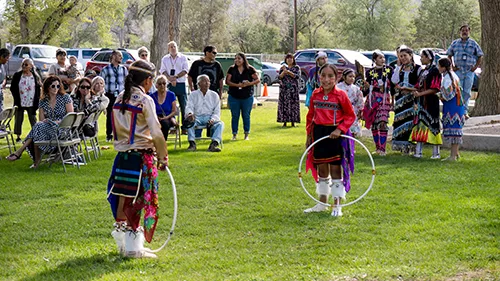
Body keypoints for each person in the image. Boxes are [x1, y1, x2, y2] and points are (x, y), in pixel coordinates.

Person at [107, 60, 168, 259]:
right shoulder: (144, 100)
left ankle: (125, 245)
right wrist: (163, 156)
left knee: (123, 199)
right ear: (148, 80)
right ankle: (133, 249)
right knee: (138, 200)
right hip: (140, 158)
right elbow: (157, 133)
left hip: (122, 159)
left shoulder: (119, 98)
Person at [304, 64, 356, 217]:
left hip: (335, 135)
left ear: (336, 78)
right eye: (323, 76)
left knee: (335, 169)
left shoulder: (340, 95)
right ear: (319, 77)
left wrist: (339, 130)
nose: (326, 79)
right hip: (319, 133)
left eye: (330, 76)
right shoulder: (315, 94)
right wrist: (308, 135)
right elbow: (310, 115)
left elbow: (350, 115)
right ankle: (322, 202)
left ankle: (337, 204)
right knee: (322, 169)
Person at [6, 76, 74, 168]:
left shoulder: (65, 97)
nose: (56, 88)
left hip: (63, 129)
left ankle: (24, 154)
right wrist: (48, 121)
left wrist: (58, 122)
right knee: (38, 128)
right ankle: (30, 158)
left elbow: (70, 116)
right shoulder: (43, 101)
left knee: (37, 128)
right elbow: (41, 120)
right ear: (47, 87)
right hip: (48, 128)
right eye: (53, 86)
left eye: (58, 86)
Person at [411, 49, 442, 159]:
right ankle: (418, 152)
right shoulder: (424, 71)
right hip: (421, 103)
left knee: (433, 124)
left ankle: (436, 153)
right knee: (420, 124)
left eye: (422, 56)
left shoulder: (435, 71)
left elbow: (435, 88)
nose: (420, 58)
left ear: (429, 57)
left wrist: (420, 94)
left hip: (430, 102)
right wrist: (414, 91)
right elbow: (418, 84)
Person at [447, 24, 483, 118]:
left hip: (469, 71)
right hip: (458, 71)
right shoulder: (455, 43)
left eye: (466, 30)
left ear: (469, 32)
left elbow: (480, 55)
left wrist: (475, 67)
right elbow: (449, 55)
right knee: (457, 90)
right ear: (460, 32)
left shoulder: (473, 43)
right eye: (463, 30)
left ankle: (464, 111)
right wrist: (452, 66)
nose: (464, 32)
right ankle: (457, 110)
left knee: (467, 92)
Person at [362, 51, 394, 156]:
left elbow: (393, 86)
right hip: (372, 99)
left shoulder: (389, 70)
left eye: (383, 57)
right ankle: (377, 148)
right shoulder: (369, 72)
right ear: (375, 59)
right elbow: (366, 91)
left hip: (384, 98)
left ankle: (383, 149)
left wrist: (393, 100)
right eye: (380, 57)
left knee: (383, 123)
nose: (382, 59)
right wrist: (365, 87)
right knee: (374, 124)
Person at [391, 46, 422, 154]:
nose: (403, 58)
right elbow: (394, 80)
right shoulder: (400, 69)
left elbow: (420, 85)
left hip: (412, 100)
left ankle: (411, 147)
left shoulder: (418, 69)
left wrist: (408, 88)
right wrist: (398, 67)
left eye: (405, 56)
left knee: (411, 121)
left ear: (411, 56)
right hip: (401, 100)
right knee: (401, 121)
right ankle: (402, 146)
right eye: (401, 56)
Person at [185, 74, 224, 152]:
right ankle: (192, 143)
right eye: (204, 81)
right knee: (189, 122)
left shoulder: (214, 95)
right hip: (197, 117)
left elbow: (217, 111)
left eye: (208, 81)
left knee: (220, 124)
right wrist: (190, 114)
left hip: (209, 117)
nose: (207, 83)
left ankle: (214, 144)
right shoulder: (193, 94)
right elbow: (189, 106)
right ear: (199, 84)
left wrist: (213, 119)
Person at [225, 52, 260, 140]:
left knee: (246, 115)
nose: (237, 60)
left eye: (239, 58)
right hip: (234, 96)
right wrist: (237, 85)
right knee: (235, 115)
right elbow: (227, 81)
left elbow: (257, 80)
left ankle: (246, 134)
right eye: (235, 58)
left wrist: (249, 83)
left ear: (244, 60)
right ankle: (234, 134)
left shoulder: (250, 69)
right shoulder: (232, 69)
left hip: (247, 96)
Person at [438, 58, 465, 161]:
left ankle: (453, 156)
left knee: (454, 129)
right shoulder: (452, 75)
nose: (438, 68)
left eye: (439, 66)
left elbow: (448, 94)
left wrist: (440, 96)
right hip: (456, 105)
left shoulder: (448, 77)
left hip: (453, 105)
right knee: (454, 128)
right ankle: (456, 153)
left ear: (443, 67)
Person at [160, 41, 189, 133]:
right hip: (169, 84)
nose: (173, 48)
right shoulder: (165, 58)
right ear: (168, 49)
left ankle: (184, 127)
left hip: (180, 83)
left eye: (174, 46)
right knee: (170, 106)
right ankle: (172, 126)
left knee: (184, 106)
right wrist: (169, 78)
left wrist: (175, 77)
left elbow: (185, 70)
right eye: (171, 47)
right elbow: (163, 70)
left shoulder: (183, 57)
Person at [10, 58, 41, 142]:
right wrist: (16, 98)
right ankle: (18, 136)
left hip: (31, 102)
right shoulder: (17, 75)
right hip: (20, 101)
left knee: (33, 119)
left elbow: (38, 88)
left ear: (31, 66)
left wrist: (38, 100)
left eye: (26, 64)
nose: (24, 66)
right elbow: (12, 88)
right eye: (23, 64)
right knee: (18, 119)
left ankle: (36, 135)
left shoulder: (35, 76)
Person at [100, 50, 128, 142]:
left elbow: (128, 82)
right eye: (119, 55)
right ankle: (109, 135)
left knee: (122, 114)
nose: (121, 57)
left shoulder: (123, 69)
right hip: (110, 95)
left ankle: (121, 134)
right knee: (110, 115)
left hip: (121, 95)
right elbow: (100, 82)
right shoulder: (105, 69)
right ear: (113, 56)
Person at [336, 69, 364, 137]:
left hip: (352, 110)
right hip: (340, 110)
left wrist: (360, 110)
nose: (352, 78)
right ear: (344, 77)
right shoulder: (338, 87)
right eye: (350, 76)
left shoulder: (356, 89)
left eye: (353, 77)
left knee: (352, 130)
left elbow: (359, 100)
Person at [149, 75, 178, 140]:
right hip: (155, 117)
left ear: (166, 84)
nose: (162, 85)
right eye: (160, 84)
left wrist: (166, 117)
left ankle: (163, 142)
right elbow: (149, 110)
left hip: (168, 117)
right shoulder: (151, 96)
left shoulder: (171, 95)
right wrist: (156, 117)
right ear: (156, 85)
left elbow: (174, 111)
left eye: (164, 83)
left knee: (164, 123)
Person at [277, 53, 301, 127]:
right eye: (288, 58)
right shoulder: (283, 68)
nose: (289, 60)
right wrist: (283, 72)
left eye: (291, 58)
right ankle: (284, 122)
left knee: (293, 105)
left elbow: (296, 76)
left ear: (293, 59)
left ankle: (293, 122)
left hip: (293, 90)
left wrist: (288, 72)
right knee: (284, 105)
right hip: (284, 89)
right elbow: (279, 77)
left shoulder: (296, 68)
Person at [0, 48, 10, 112]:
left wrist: (3, 83)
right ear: (1, 57)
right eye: (7, 57)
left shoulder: (3, 66)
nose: (7, 60)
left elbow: (4, 77)